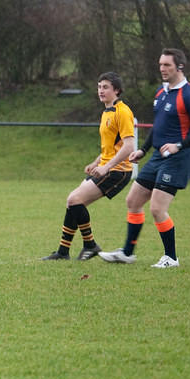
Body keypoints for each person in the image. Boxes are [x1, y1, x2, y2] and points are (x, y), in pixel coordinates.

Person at [99, 48, 190, 268]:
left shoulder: (189, 95)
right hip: (157, 157)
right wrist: (143, 149)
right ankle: (127, 253)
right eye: (160, 64)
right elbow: (158, 127)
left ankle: (171, 257)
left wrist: (179, 145)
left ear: (179, 67)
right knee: (133, 200)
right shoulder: (162, 91)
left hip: (177, 159)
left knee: (157, 209)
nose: (162, 68)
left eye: (167, 65)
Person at [40, 72, 135, 261]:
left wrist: (106, 167)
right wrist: (96, 162)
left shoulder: (122, 112)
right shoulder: (107, 111)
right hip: (105, 167)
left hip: (117, 171)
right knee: (72, 203)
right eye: (99, 87)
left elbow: (129, 146)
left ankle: (90, 245)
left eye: (105, 87)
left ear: (116, 90)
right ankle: (63, 252)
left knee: (74, 199)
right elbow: (111, 146)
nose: (101, 90)